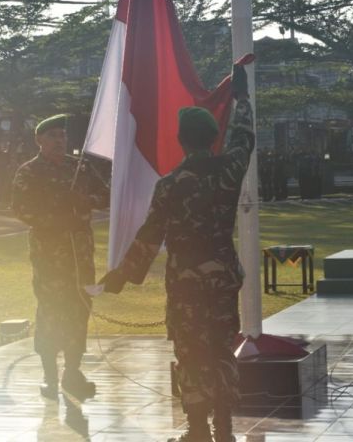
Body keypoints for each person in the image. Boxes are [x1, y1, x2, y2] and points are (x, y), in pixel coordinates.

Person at [98, 64, 254, 442]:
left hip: (186, 282)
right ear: (213, 138)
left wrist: (121, 274)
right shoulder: (230, 170)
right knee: (220, 348)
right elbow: (245, 137)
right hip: (221, 277)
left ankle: (197, 428)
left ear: (182, 140)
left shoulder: (170, 186)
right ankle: (225, 427)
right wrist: (242, 97)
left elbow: (151, 235)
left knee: (191, 353)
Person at [11, 114, 110, 400]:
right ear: (39, 140)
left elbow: (105, 196)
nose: (58, 140)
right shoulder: (30, 172)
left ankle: (72, 371)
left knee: (79, 309)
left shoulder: (80, 168)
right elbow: (22, 209)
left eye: (62, 136)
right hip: (49, 257)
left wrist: (83, 201)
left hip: (80, 256)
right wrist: (56, 215)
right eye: (52, 135)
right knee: (51, 312)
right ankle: (50, 376)